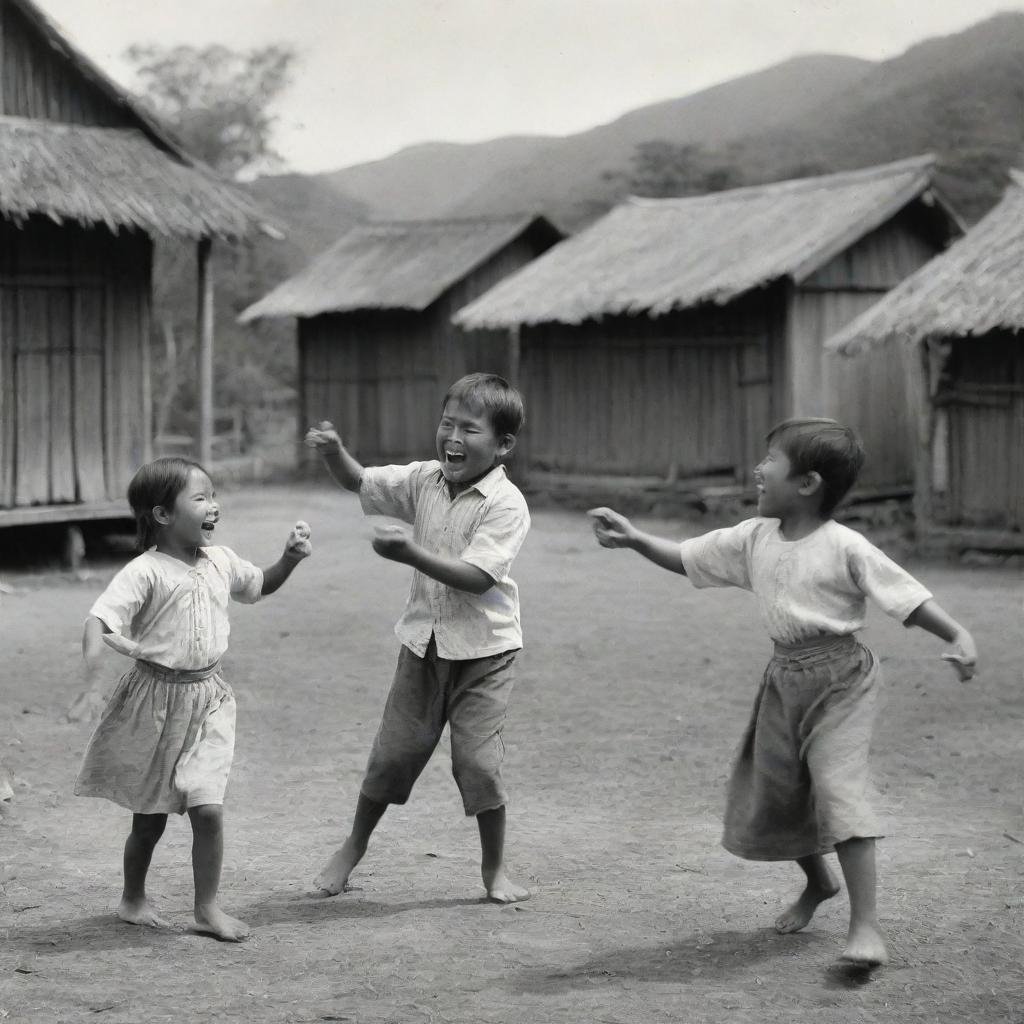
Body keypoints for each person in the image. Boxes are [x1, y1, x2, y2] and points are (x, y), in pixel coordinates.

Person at [589, 417, 977, 968]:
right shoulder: (753, 538)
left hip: (842, 680)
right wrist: (634, 539)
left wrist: (957, 633)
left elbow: (905, 597)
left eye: (771, 459)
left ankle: (866, 927)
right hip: (784, 679)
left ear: (807, 483)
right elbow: (688, 557)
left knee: (839, 791)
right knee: (777, 790)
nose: (758, 468)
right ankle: (819, 882)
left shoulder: (845, 546)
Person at [304, 372, 531, 904]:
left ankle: (494, 869)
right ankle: (352, 847)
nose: (452, 436)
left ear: (502, 445)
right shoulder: (423, 480)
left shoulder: (506, 504)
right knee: (392, 755)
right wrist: (336, 452)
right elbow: (360, 481)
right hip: (422, 645)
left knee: (477, 763)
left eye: (469, 429)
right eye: (447, 423)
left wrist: (409, 553)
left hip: (485, 652)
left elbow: (477, 578)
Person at [72, 456, 312, 941]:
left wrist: (289, 558)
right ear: (162, 515)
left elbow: (259, 585)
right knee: (149, 820)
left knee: (208, 808)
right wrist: (92, 685)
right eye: (200, 498)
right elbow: (98, 620)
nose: (214, 506)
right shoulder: (144, 572)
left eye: (213, 495)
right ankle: (132, 897)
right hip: (155, 702)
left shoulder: (221, 560)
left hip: (209, 700)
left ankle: (207, 909)